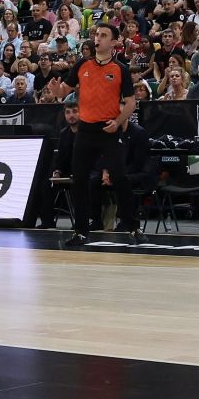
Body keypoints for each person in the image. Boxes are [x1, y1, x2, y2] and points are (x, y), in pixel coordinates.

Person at [66, 22, 136, 247]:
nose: (98, 38)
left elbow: (131, 103)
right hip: (86, 130)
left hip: (108, 129)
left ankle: (132, 227)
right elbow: (63, 91)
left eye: (104, 35)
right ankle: (80, 231)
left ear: (114, 42)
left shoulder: (120, 69)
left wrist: (117, 122)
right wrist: (57, 90)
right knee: (78, 180)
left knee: (120, 177)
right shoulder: (82, 64)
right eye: (97, 34)